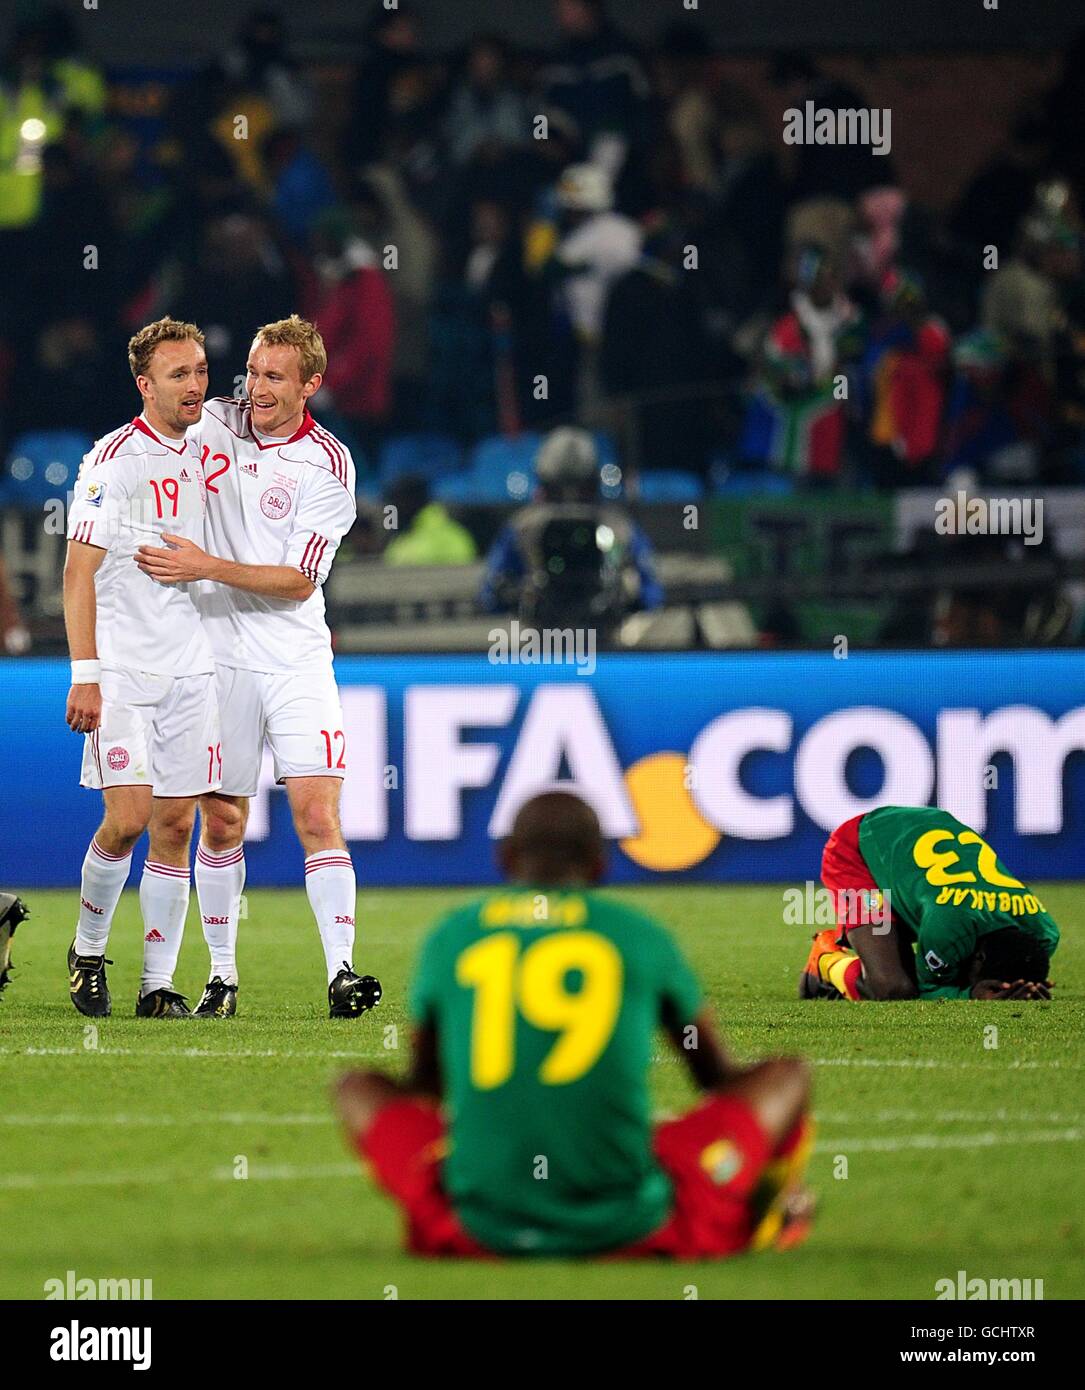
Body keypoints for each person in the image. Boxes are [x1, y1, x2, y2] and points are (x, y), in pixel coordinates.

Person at [334, 791, 815, 1258]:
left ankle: (483, 1186)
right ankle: (769, 1206)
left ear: (505, 859)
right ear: (600, 864)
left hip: (481, 1225)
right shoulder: (638, 933)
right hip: (632, 1224)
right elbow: (714, 1080)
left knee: (355, 1087)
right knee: (787, 1076)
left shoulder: (454, 934)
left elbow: (425, 1089)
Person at [135, 315, 381, 1022]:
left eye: (275, 376)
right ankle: (221, 975)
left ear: (311, 383)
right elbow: (145, 441)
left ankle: (341, 973)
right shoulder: (210, 421)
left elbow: (299, 582)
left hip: (294, 657)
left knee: (314, 810)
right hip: (215, 658)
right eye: (251, 371)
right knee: (221, 821)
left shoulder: (327, 465)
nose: (257, 388)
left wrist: (205, 566)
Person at [63, 317, 219, 1019]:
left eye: (200, 371)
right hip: (124, 673)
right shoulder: (112, 461)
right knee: (126, 819)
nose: (195, 385)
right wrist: (85, 673)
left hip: (194, 670)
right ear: (144, 384)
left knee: (177, 826)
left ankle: (157, 985)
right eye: (178, 374)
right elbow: (76, 573)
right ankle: (87, 950)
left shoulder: (211, 447)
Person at [800, 805, 1060, 1001]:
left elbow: (1020, 958)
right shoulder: (947, 928)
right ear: (978, 957)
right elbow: (930, 989)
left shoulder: (1044, 934)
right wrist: (968, 995)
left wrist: (1027, 984)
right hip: (859, 851)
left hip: (914, 857)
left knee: (924, 965)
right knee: (892, 987)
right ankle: (825, 958)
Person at [478, 426, 662, 628]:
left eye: (582, 492)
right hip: (537, 636)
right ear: (543, 489)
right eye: (557, 493)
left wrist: (625, 592)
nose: (570, 506)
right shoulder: (523, 528)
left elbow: (651, 595)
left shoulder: (619, 528)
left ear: (594, 487)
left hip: (609, 634)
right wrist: (518, 594)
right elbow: (490, 594)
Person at [383, 475, 476, 567]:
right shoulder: (399, 538)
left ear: (413, 501)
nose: (393, 509)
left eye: (398, 502)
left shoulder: (450, 538)